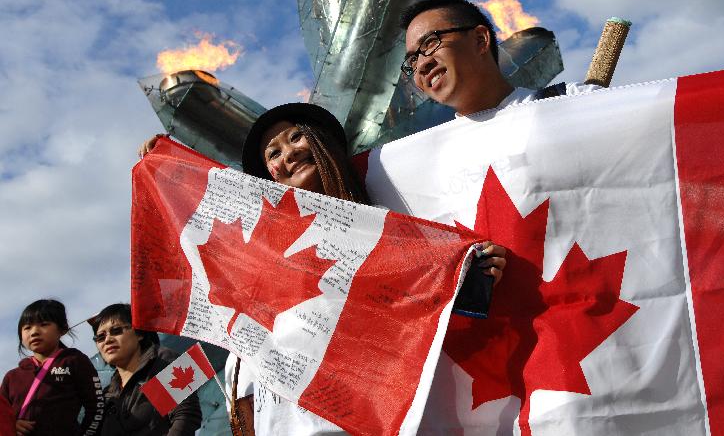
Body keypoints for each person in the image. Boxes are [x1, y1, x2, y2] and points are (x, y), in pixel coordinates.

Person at [140, 102, 507, 433]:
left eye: (296, 137)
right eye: (274, 153)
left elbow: (437, 306)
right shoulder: (255, 261)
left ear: (322, 143)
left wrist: (475, 271)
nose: (288, 154)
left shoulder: (389, 235)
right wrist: (167, 168)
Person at [399, 0, 724, 116]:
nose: (421, 63)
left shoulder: (571, 108)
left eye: (430, 45)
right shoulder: (405, 161)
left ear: (482, 41)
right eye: (411, 59)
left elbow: (704, 115)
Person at [90, 304, 201, 436]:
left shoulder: (164, 359)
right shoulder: (107, 395)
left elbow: (186, 415)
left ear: (139, 334)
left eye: (116, 331)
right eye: (100, 337)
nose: (107, 339)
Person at [1, 299, 104, 436]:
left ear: (63, 329)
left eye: (43, 324)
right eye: (27, 327)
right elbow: (2, 414)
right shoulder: (12, 376)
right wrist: (12, 424)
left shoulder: (75, 361)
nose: (34, 332)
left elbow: (96, 408)